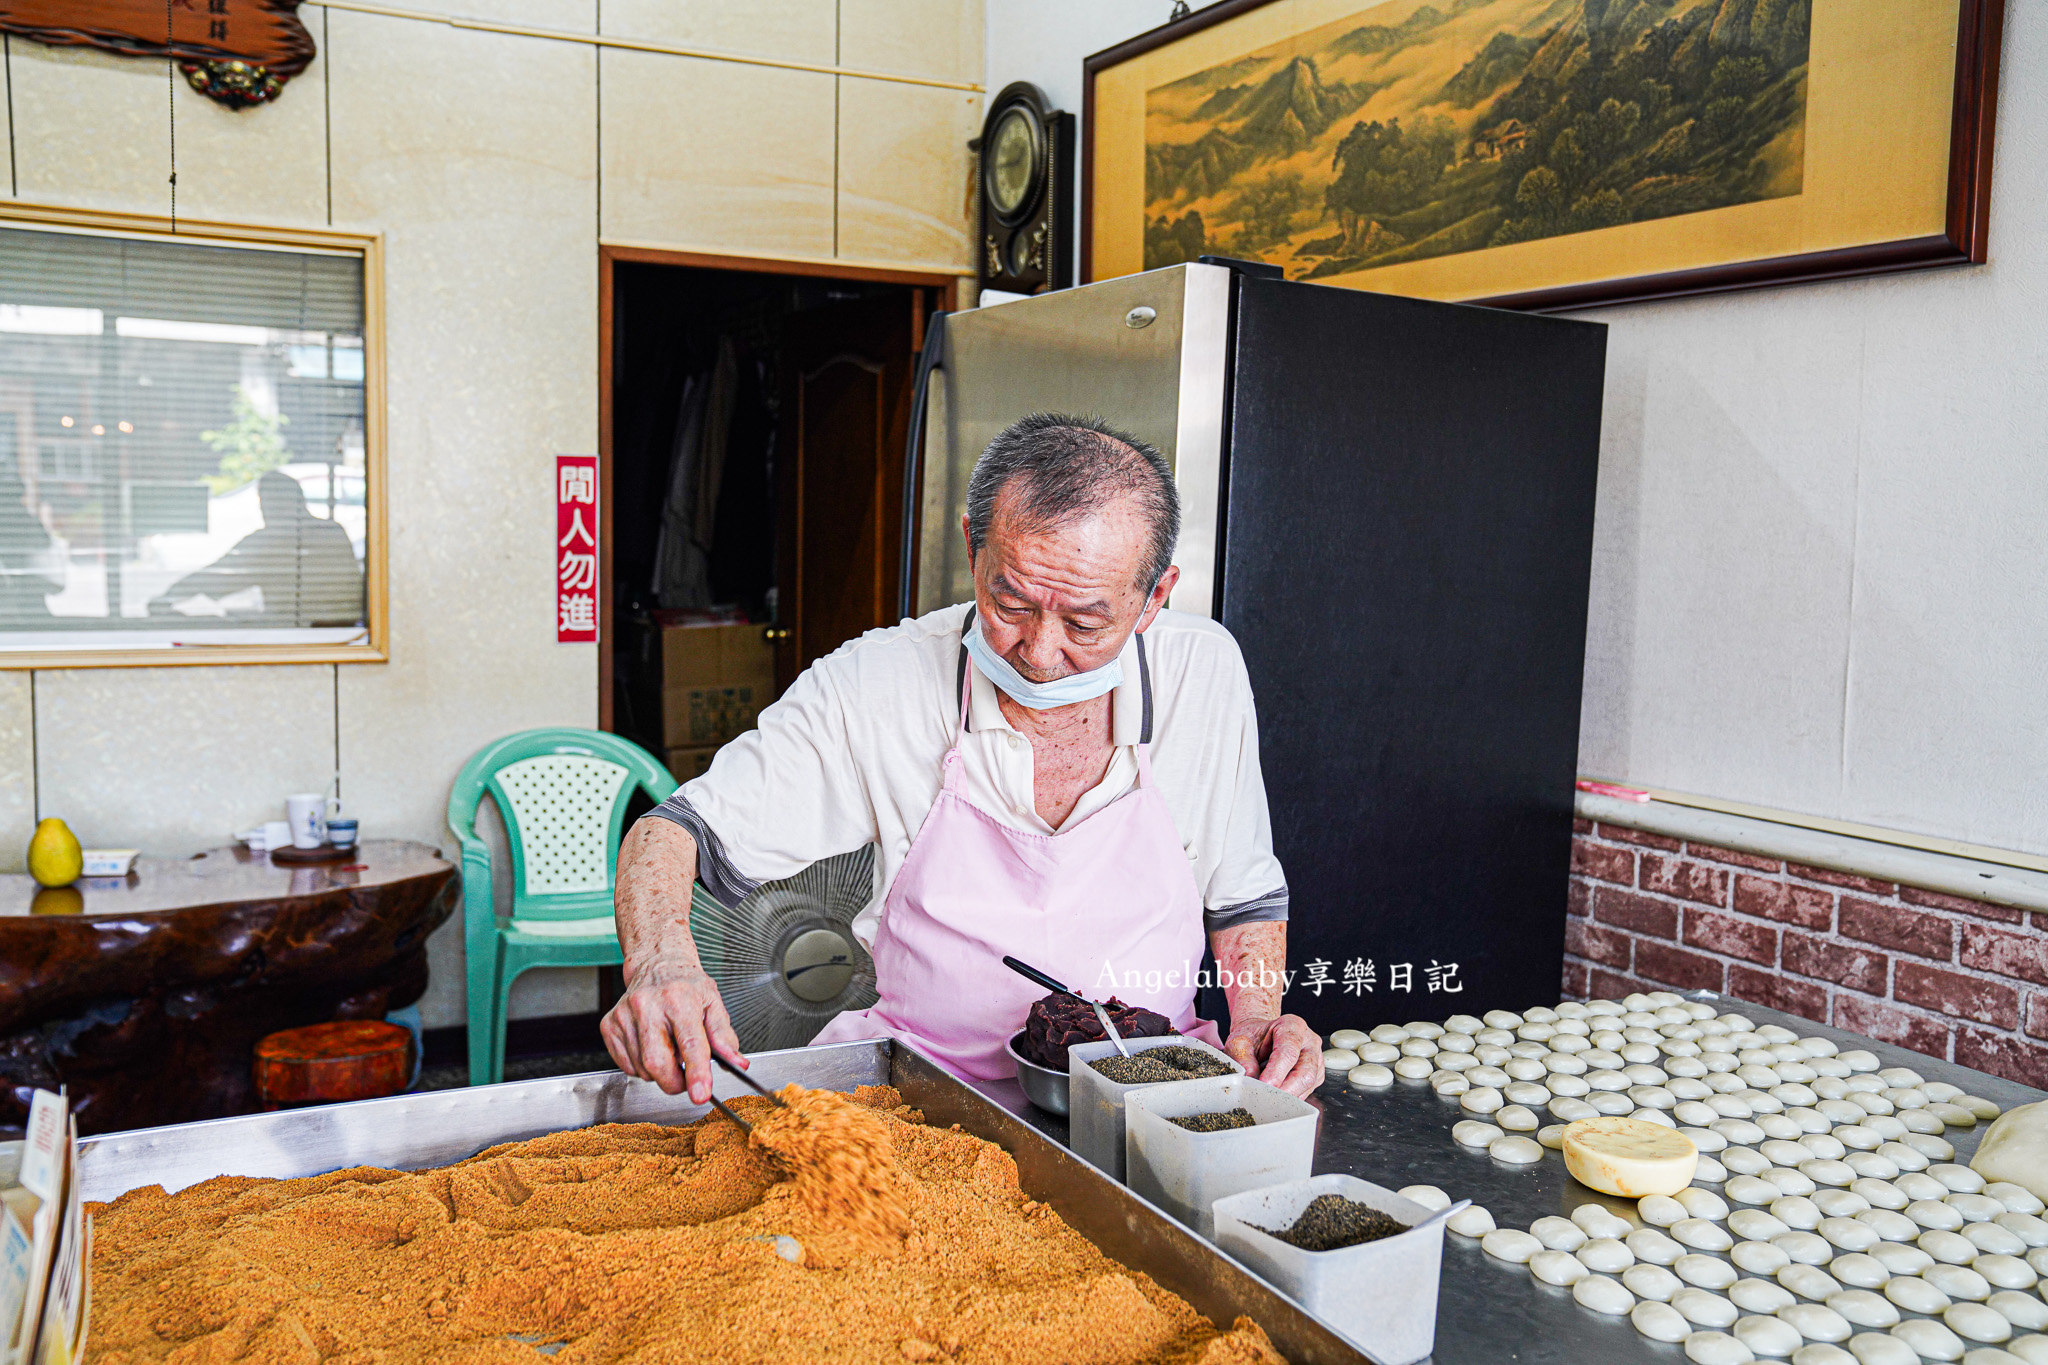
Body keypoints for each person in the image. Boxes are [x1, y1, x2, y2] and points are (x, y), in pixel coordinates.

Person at [601, 413, 1323, 1101]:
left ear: (1154, 596)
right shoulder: (876, 683)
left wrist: (1257, 1017)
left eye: (1085, 621)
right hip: (923, 1091)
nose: (1040, 654)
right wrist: (661, 961)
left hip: (1149, 1091)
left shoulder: (1205, 672)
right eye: (1010, 602)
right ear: (974, 544)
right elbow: (668, 833)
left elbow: (1244, 895)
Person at [151, 470, 363, 626]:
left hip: (299, 635)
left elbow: (217, 577)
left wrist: (168, 597)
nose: (263, 509)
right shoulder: (334, 531)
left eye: (265, 501)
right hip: (342, 632)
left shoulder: (271, 541)